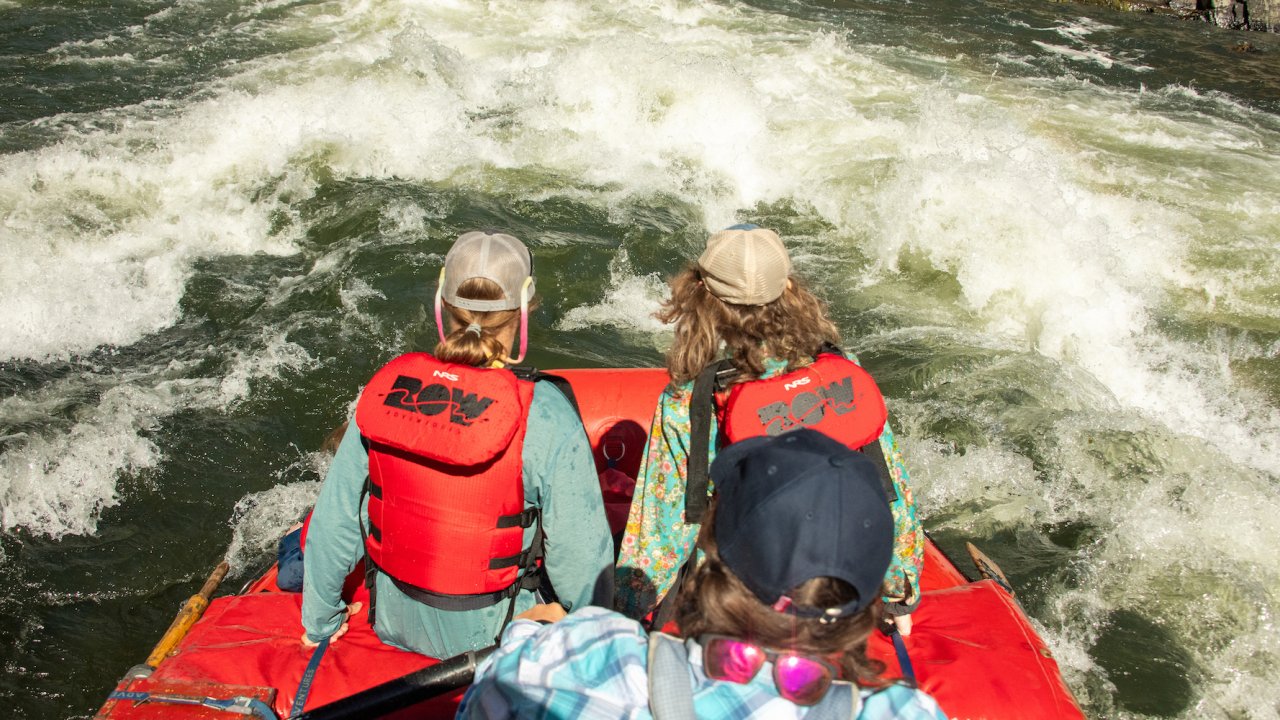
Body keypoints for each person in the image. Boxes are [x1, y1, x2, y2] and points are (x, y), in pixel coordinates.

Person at [457, 430, 948, 719]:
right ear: (868, 600)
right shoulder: (907, 712)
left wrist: (538, 627)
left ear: (710, 548)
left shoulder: (581, 657)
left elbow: (478, 704)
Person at [300, 230, 614, 658]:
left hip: (391, 621)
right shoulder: (544, 413)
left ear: (441, 304)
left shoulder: (387, 390)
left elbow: (334, 522)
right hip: (497, 638)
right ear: (525, 307)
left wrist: (320, 622)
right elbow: (581, 562)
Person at [615, 225, 924, 634]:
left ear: (701, 297)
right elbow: (887, 487)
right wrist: (897, 593)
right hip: (838, 589)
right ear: (790, 289)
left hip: (740, 604)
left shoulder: (692, 399)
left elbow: (666, 526)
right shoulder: (842, 371)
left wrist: (623, 612)